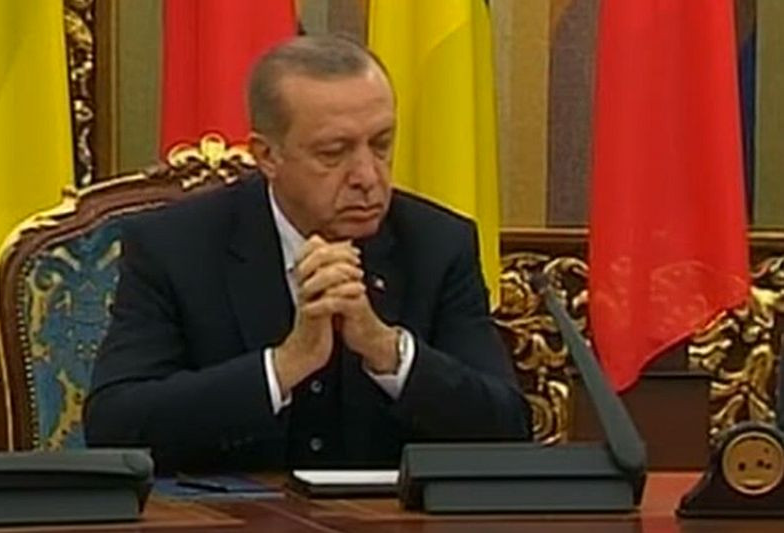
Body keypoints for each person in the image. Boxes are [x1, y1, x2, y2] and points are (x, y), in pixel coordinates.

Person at [85, 35, 531, 474]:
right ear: (267, 156)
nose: (367, 176)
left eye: (381, 145)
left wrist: (385, 349)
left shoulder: (437, 244)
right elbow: (115, 426)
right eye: (334, 153)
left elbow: (508, 428)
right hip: (231, 512)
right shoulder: (176, 246)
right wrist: (285, 365)